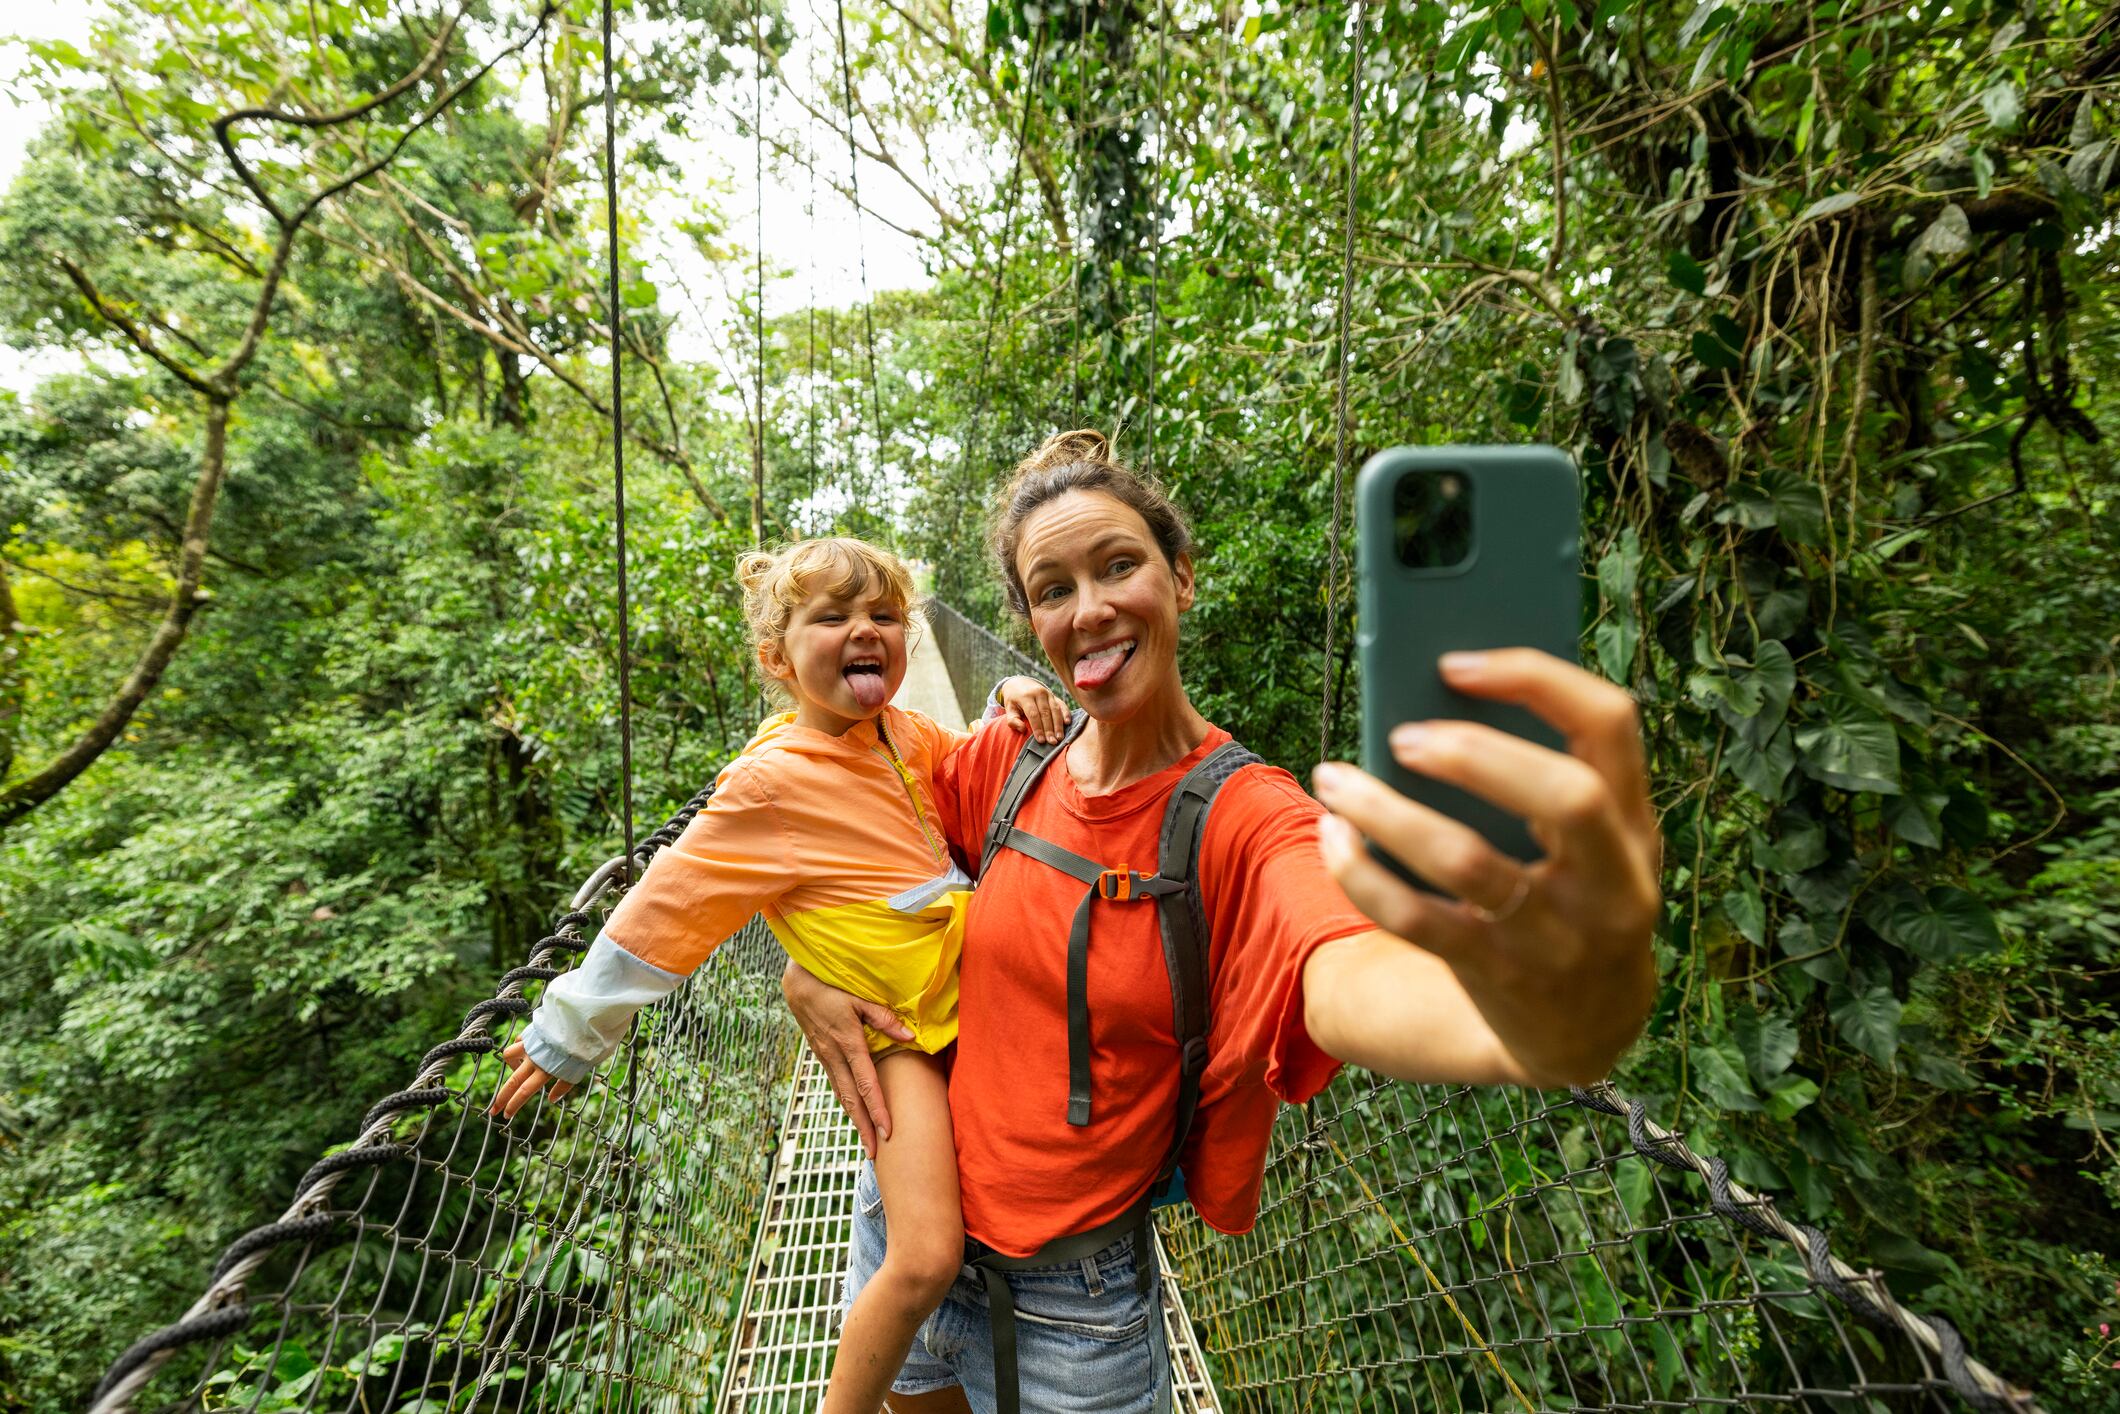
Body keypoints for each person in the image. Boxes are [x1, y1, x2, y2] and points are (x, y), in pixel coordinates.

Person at [785, 431, 1662, 1414]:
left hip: (1077, 1311)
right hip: (904, 1225)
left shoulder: (1246, 820)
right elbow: (841, 837)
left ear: (1182, 577)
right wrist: (807, 970)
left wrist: (1567, 1006)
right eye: (1052, 588)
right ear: (1031, 620)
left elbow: (1348, 973)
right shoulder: (1002, 762)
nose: (1091, 607)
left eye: (1118, 565)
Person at [487, 536, 1071, 1414]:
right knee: (923, 1256)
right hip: (896, 1035)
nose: (864, 630)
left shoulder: (897, 733)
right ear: (778, 659)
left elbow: (969, 764)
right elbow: (664, 907)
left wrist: (1006, 698)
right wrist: (569, 1034)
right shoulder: (768, 784)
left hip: (962, 1006)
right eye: (831, 619)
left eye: (884, 616)